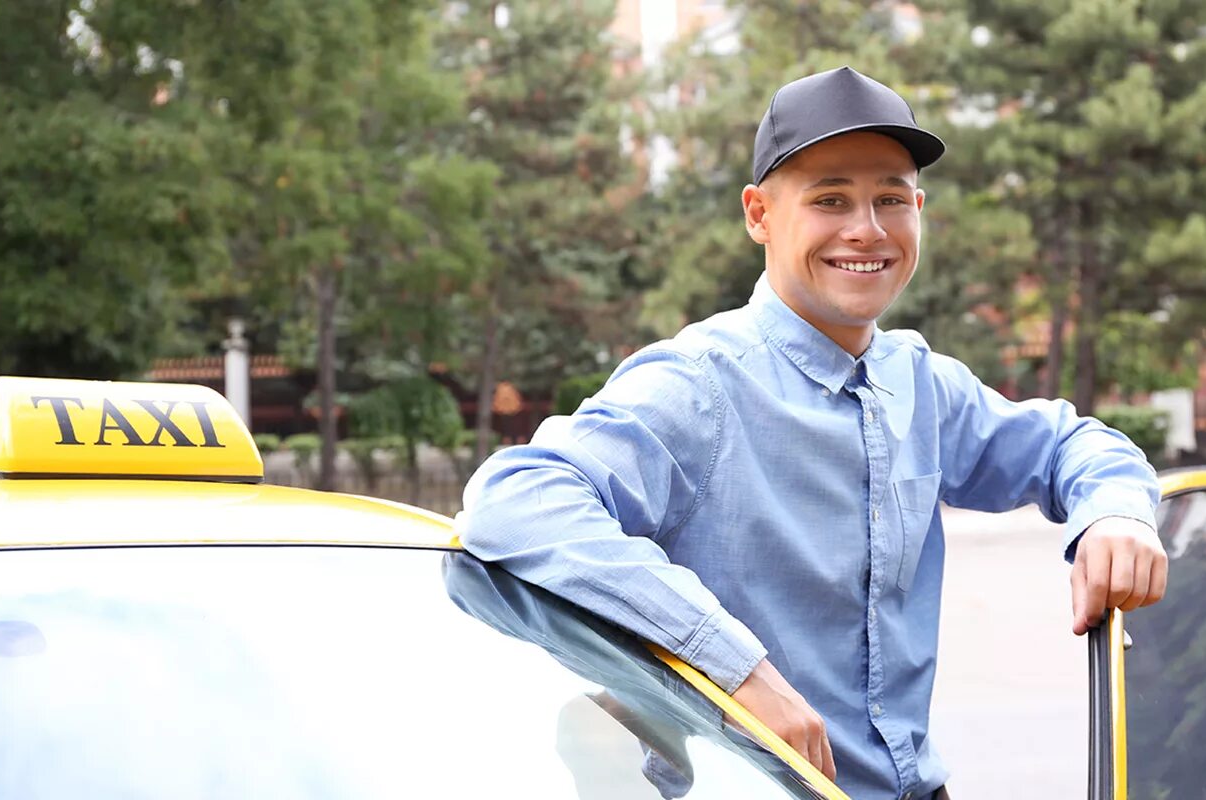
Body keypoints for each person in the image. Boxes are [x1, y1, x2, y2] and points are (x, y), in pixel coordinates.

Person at [457, 66, 1168, 800]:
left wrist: (1114, 510)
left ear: (918, 209)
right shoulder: (697, 383)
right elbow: (515, 500)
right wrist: (730, 668)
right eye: (830, 199)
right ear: (759, 213)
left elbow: (1069, 445)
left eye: (890, 198)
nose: (867, 228)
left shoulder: (918, 381)